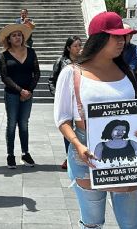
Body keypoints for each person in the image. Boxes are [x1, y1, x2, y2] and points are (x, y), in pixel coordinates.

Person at [54, 12, 137, 229]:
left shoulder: (126, 72)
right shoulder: (72, 73)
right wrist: (78, 145)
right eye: (116, 36)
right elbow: (62, 119)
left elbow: (132, 113)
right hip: (85, 153)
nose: (122, 41)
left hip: (129, 158)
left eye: (124, 37)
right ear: (98, 38)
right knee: (91, 224)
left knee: (131, 225)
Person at [0, 24, 40, 169]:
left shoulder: (31, 52)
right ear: (9, 39)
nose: (17, 37)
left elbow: (37, 73)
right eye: (14, 35)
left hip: (28, 94)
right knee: (11, 124)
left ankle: (25, 153)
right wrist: (20, 90)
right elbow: (4, 77)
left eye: (19, 35)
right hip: (11, 94)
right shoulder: (4, 55)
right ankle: (10, 155)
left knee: (24, 124)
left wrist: (28, 91)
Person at [48, 36, 82, 169]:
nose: (78, 48)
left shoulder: (84, 61)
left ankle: (79, 153)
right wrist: (57, 94)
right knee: (67, 128)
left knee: (80, 128)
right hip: (66, 100)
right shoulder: (61, 61)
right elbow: (52, 80)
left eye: (80, 45)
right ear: (68, 48)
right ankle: (69, 156)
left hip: (80, 101)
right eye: (75, 46)